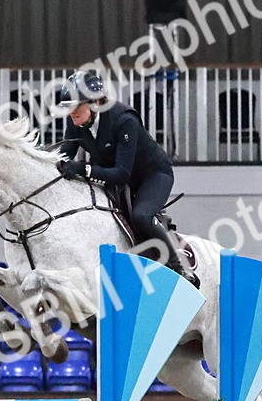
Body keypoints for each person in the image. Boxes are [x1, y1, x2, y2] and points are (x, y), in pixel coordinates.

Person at [55, 70, 199, 287]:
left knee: (141, 216)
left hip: (151, 175)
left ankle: (178, 266)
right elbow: (65, 156)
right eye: (68, 109)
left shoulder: (123, 119)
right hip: (116, 176)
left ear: (94, 103)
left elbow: (122, 174)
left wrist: (83, 169)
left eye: (76, 107)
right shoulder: (75, 123)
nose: (71, 114)